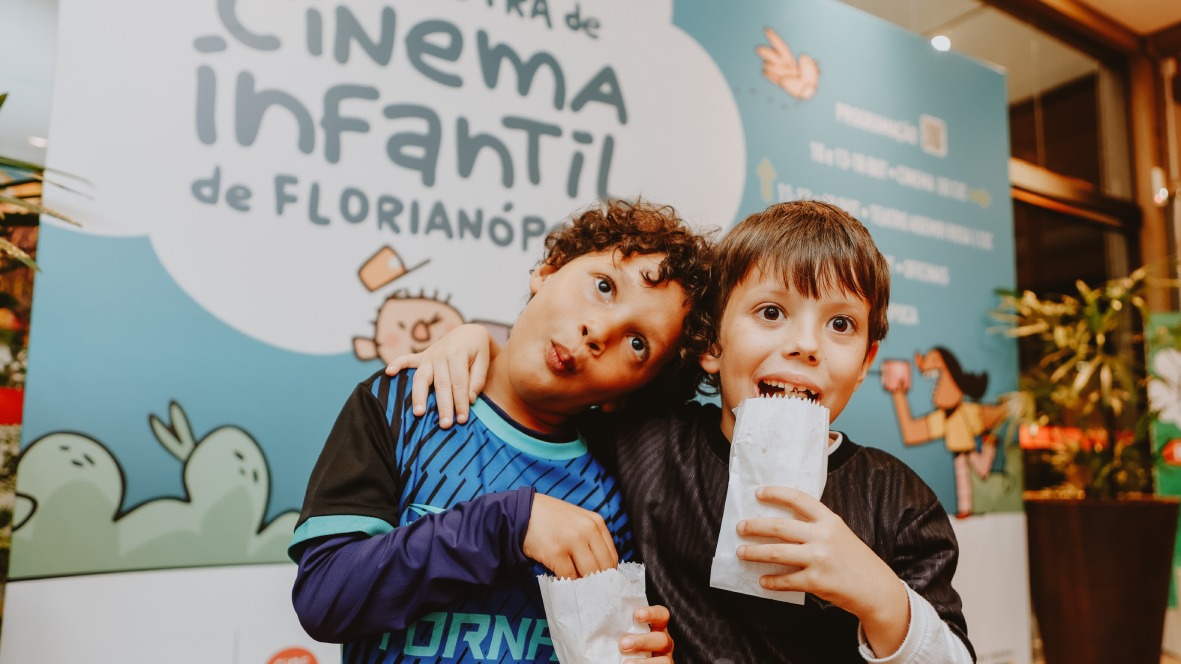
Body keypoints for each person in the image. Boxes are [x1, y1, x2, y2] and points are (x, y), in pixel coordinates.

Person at [389, 200, 976, 663]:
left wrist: (882, 598)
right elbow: (554, 388)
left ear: (867, 360)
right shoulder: (645, 444)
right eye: (771, 312)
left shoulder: (898, 501)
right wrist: (478, 343)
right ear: (711, 344)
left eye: (840, 324)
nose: (805, 344)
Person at [289, 199, 714, 663]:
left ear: (631, 393)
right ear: (549, 271)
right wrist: (505, 525)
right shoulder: (405, 402)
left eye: (637, 343)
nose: (598, 330)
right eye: (604, 286)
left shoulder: (614, 488)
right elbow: (324, 598)